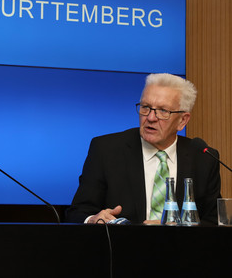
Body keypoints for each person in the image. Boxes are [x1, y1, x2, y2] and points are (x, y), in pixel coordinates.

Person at [66, 73, 221, 225]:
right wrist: (93, 219)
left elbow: (214, 221)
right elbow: (78, 212)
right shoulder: (106, 150)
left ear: (182, 120)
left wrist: (178, 228)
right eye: (146, 107)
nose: (151, 118)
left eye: (163, 111)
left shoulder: (204, 158)